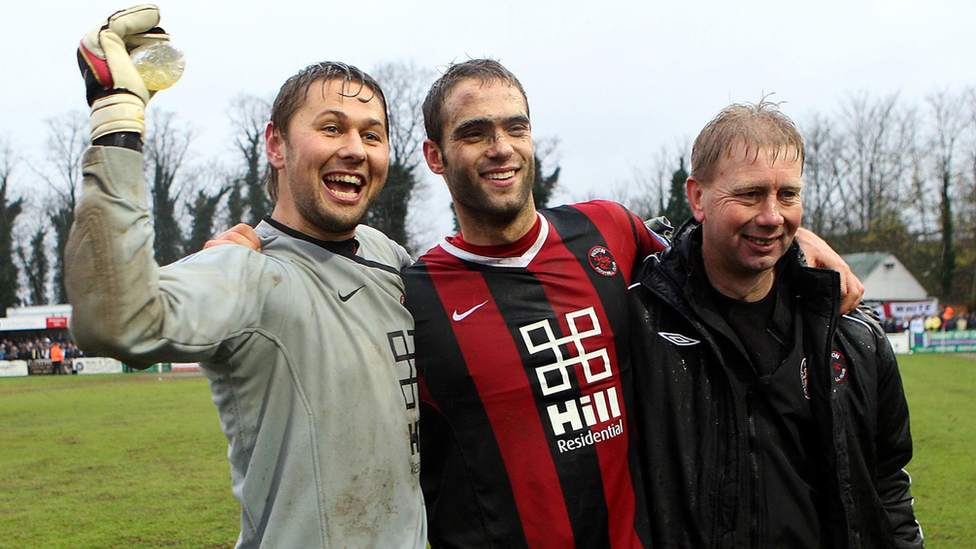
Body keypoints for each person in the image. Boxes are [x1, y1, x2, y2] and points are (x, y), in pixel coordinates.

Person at [401, 60, 865, 548]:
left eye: (516, 127)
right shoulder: (413, 300)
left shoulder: (607, 230)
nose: (501, 148)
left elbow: (710, 258)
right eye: (475, 133)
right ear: (435, 156)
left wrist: (797, 245)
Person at [65, 6, 425, 548]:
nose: (354, 148)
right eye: (331, 128)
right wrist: (118, 122)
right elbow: (118, 319)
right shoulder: (246, 269)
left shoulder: (389, 256)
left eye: (371, 135)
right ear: (276, 145)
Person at [628, 101, 923, 547]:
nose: (772, 216)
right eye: (749, 194)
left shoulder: (851, 333)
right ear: (697, 197)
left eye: (788, 195)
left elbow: (887, 486)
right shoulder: (636, 324)